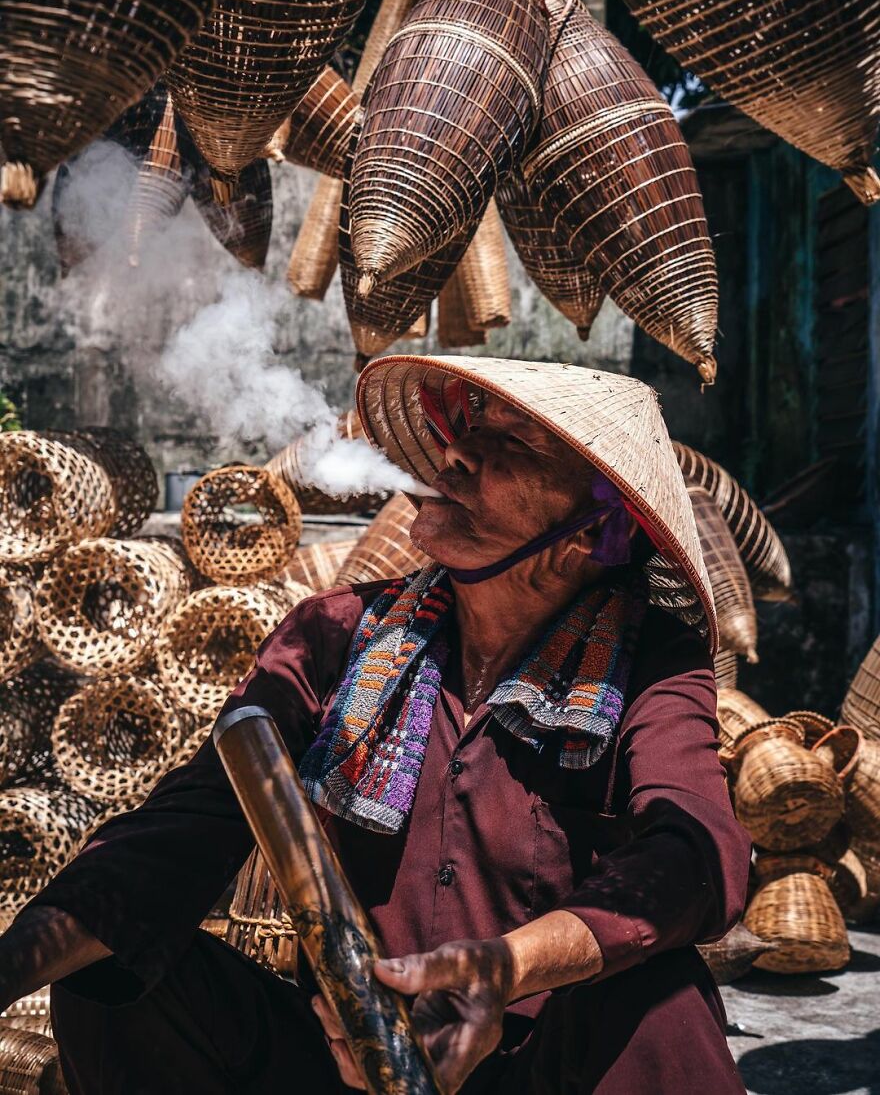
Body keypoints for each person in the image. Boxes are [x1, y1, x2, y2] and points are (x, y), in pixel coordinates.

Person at [0, 356, 751, 1094]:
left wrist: (504, 968)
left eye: (512, 444)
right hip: (353, 1058)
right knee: (109, 976)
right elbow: (181, 831)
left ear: (593, 533)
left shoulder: (651, 661)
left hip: (537, 1063)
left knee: (663, 1001)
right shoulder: (335, 633)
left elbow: (696, 851)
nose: (456, 455)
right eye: (466, 430)